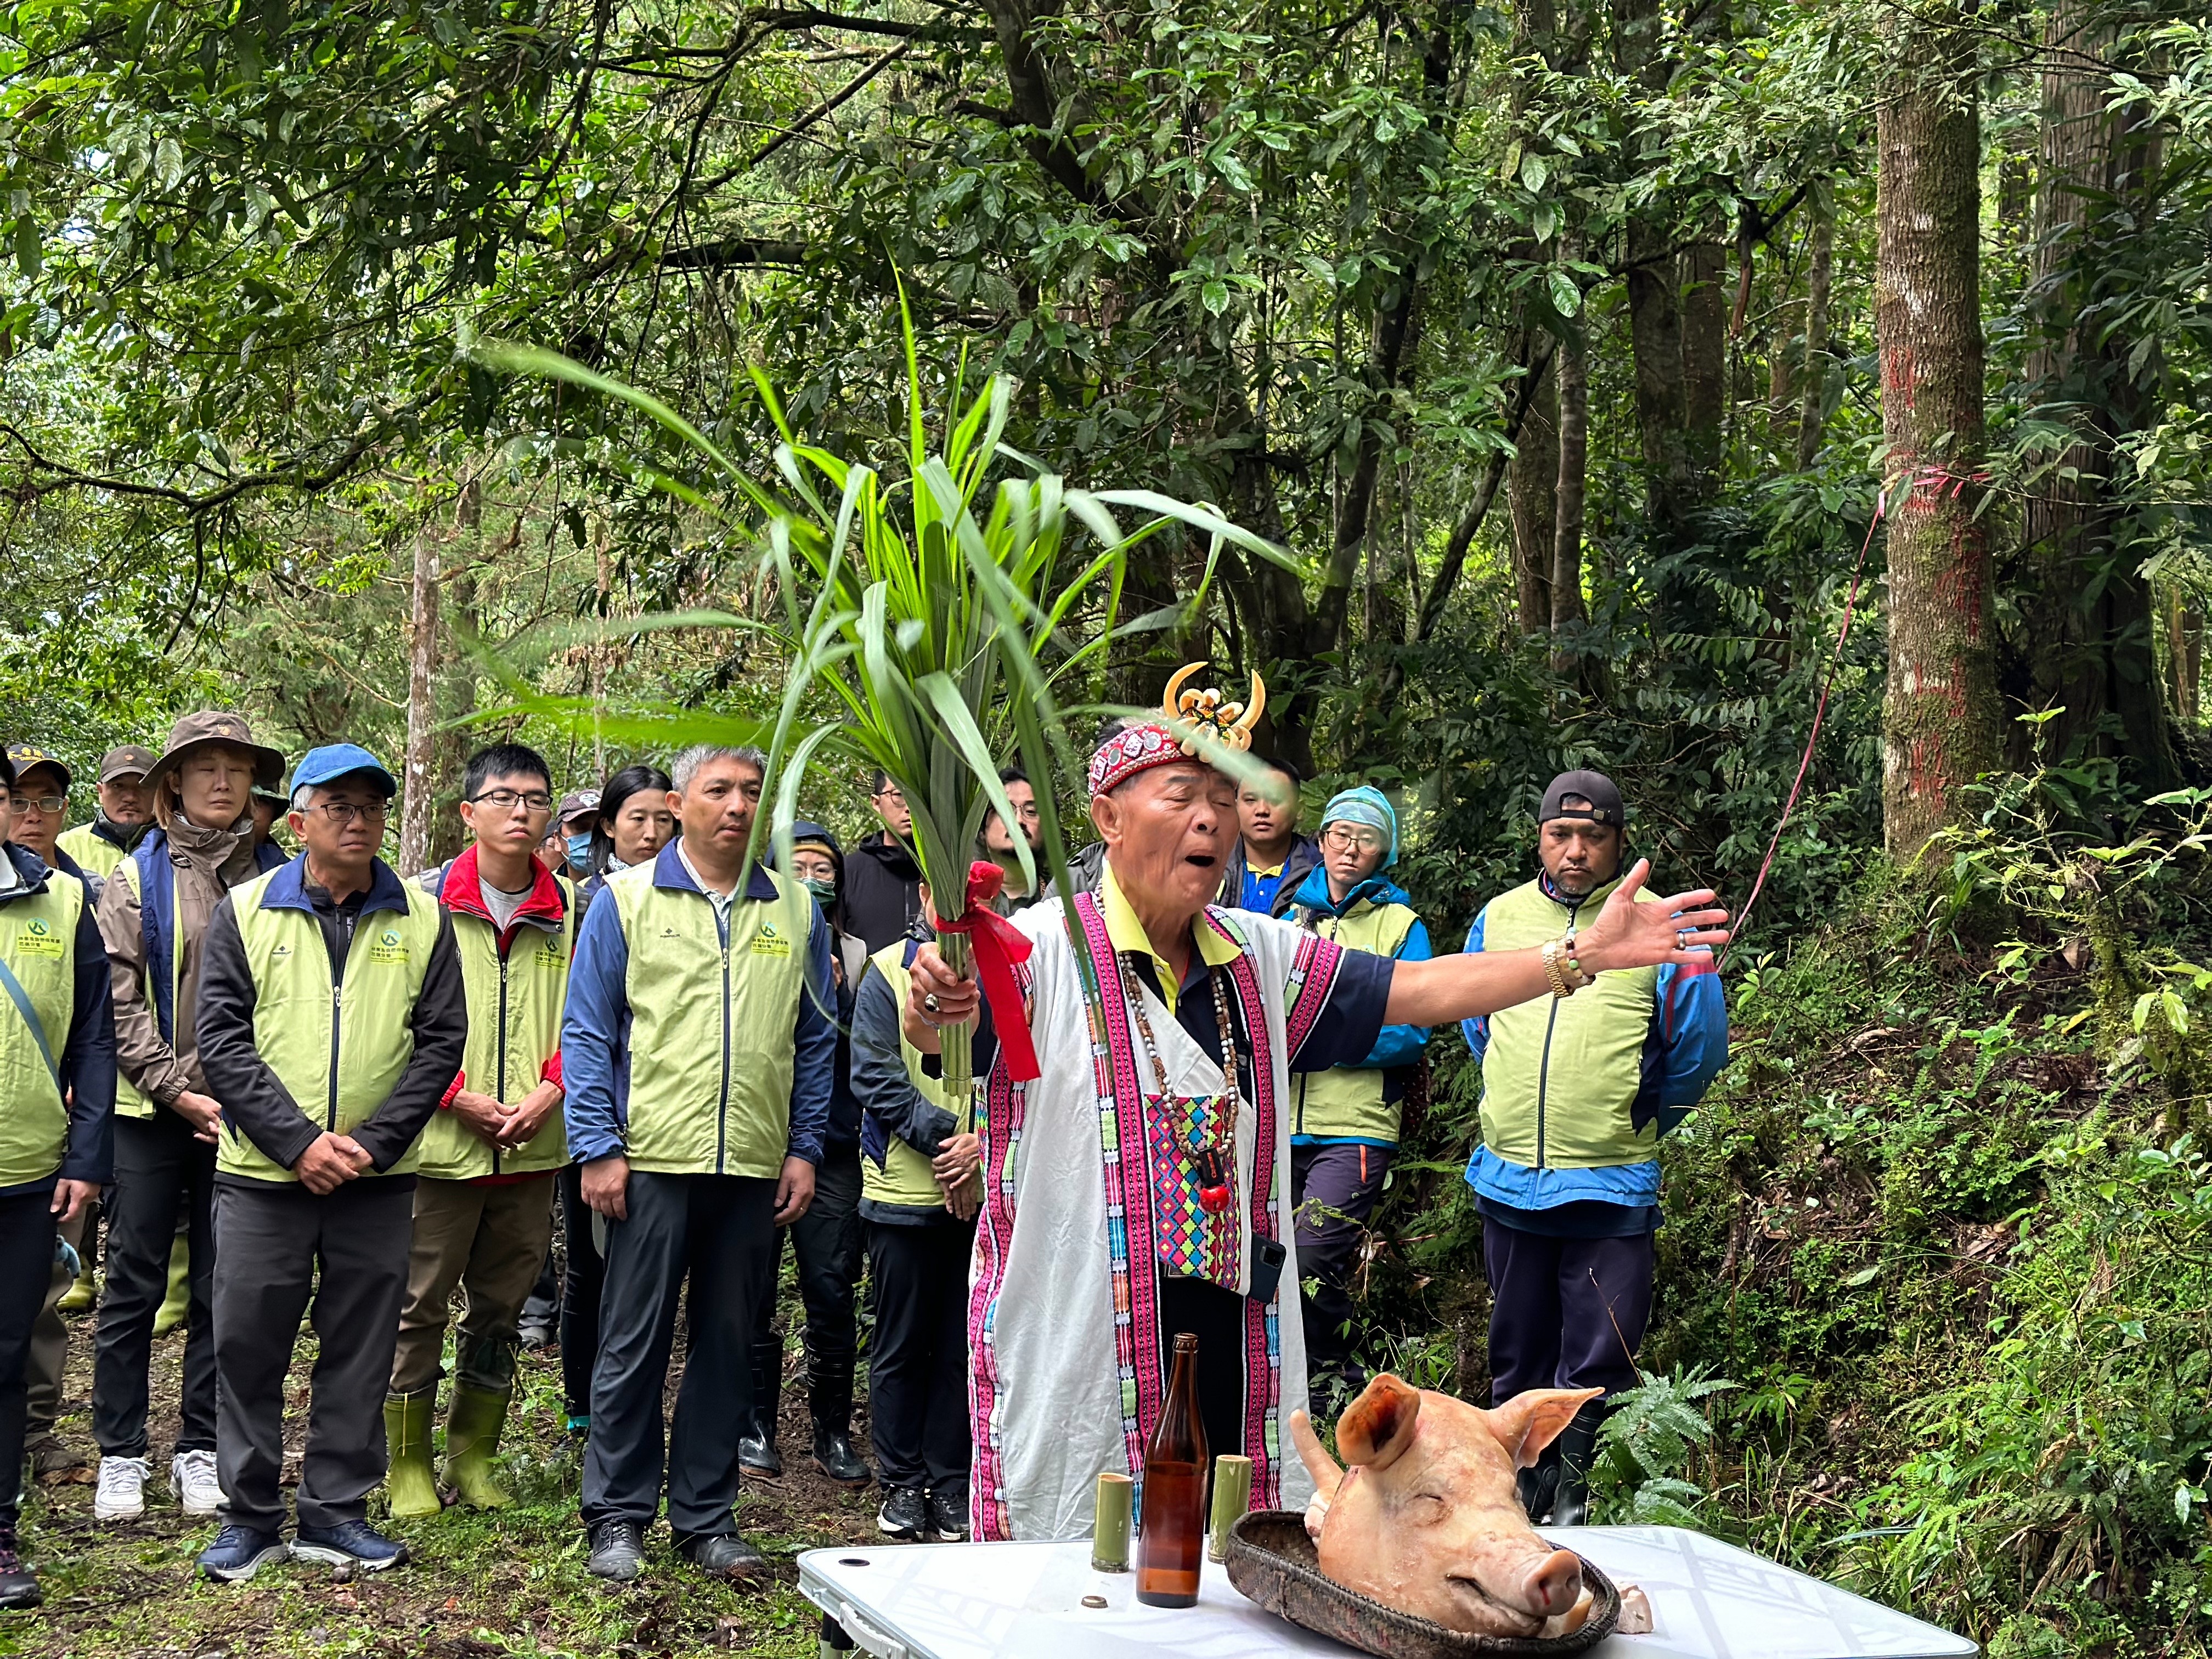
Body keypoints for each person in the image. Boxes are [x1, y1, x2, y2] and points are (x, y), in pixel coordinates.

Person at [900, 670, 1729, 1542]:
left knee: (1232, 1559)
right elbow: (939, 1020)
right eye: (1182, 795)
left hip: (1232, 1330)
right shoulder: (1032, 952)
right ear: (1107, 817)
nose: (1212, 820)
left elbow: (1421, 989)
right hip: (1084, 1338)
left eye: (1226, 798)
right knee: (1085, 1575)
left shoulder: (1263, 957)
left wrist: (1581, 956)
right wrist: (934, 1001)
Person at [192, 743, 466, 1582]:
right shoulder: (245, 910)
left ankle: (336, 1511)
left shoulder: (422, 918)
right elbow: (222, 1041)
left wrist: (373, 1144)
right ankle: (249, 1515)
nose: (359, 821)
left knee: (361, 1344)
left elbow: (440, 1043)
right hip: (263, 1179)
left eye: (373, 807)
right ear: (301, 819)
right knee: (246, 1342)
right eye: (340, 806)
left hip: (375, 1182)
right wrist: (298, 1142)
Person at [561, 745, 834, 1584]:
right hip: (649, 1162)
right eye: (718, 790)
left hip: (751, 1165)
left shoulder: (795, 909)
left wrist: (803, 1147)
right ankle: (617, 1515)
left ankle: (706, 1518)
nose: (738, 806)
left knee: (728, 1342)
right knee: (632, 1341)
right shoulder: (628, 899)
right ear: (680, 803)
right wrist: (598, 1148)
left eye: (753, 792)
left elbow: (815, 1038)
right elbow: (587, 1029)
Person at [1459, 770, 1729, 1527]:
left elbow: (1699, 1049)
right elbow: (1478, 1023)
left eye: (1594, 836)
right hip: (1511, 1176)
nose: (1576, 851)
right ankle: (1511, 1500)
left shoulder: (1660, 925)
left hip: (1610, 1184)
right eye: (1561, 835)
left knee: (1600, 1350)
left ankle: (1575, 1501)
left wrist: (1639, 1116)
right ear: (1539, 837)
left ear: (1619, 842)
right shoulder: (1500, 917)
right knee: (1515, 1349)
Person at [91, 713, 288, 1526]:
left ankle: (201, 1449)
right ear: (172, 782)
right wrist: (177, 1088)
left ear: (252, 783)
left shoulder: (281, 876)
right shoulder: (135, 878)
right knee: (134, 1281)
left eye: (235, 769)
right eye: (202, 767)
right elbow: (119, 993)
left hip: (245, 1117)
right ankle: (121, 1454)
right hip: (152, 1111)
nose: (219, 782)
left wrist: (246, 1099)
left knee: (224, 1287)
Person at [384, 744, 575, 1519]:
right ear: (469, 812)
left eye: (534, 798)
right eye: (502, 797)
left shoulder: (575, 909)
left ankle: (476, 1458)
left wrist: (552, 1089)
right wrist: (455, 1094)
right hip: (440, 1146)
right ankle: (406, 1464)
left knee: (500, 1308)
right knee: (418, 1303)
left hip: (534, 1146)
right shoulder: (417, 903)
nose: (520, 811)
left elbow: (595, 1015)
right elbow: (391, 1021)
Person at [0, 751, 114, 1608]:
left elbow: (95, 1043)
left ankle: (0, 1530)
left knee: (8, 1355)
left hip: (25, 1169)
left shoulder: (65, 900)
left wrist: (86, 1157)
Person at [1284, 787, 1432, 1407]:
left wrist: (1326, 1042)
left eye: (1366, 838)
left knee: (1316, 1252)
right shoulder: (1289, 918)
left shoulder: (1401, 926)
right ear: (1321, 841)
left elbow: (1412, 1028)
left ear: (1384, 852)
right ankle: (1284, 1386)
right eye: (1340, 834)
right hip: (1277, 1122)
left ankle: (1332, 1389)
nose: (1350, 848)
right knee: (1271, 1257)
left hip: (1357, 1123)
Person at [739, 822, 871, 1488]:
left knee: (830, 1286)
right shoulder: (747, 934)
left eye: (825, 869)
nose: (814, 879)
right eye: (800, 866)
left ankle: (832, 1431)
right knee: (752, 1287)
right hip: (758, 1138)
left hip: (835, 1148)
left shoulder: (857, 951)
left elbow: (853, 1050)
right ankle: (755, 1425)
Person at [544, 763, 675, 1401]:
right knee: (589, 1268)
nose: (650, 833)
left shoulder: (688, 899)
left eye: (661, 819)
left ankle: (627, 1403)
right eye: (636, 819)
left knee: (644, 1279)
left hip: (661, 1121)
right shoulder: (589, 901)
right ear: (609, 826)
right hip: (594, 1111)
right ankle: (581, 1405)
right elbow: (582, 1020)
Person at [850, 896, 978, 1543]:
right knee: (901, 1344)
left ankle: (952, 1481)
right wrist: (950, 1140)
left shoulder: (1012, 969)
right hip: (904, 1192)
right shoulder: (885, 970)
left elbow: (1023, 1070)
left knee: (963, 1346)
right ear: (924, 895)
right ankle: (901, 1481)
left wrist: (981, 1149)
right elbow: (873, 1073)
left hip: (985, 1190)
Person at [5, 743, 97, 1483]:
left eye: (46, 802)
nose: (32, 815)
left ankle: (32, 1438)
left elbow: (93, 1023)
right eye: (20, 798)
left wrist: (86, 1140)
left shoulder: (75, 898)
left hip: (40, 1145)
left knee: (32, 1306)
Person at [1223, 755, 1319, 917]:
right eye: (1251, 800)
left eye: (1275, 800)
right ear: (1235, 806)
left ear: (1299, 810)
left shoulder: (1321, 873)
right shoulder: (1211, 864)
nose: (1262, 810)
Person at [843, 772, 924, 952]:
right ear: (876, 803)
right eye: (899, 795)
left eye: (917, 797)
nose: (909, 807)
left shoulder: (943, 875)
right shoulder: (848, 872)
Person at [58, 745, 159, 881]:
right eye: (118, 786)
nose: (130, 798)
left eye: (142, 786)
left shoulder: (176, 847)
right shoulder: (63, 848)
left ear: (159, 793)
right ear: (100, 792)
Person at [980, 768, 1044, 909]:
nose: (1019, 819)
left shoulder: (1063, 899)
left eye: (1031, 811)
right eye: (1005, 810)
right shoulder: (959, 900)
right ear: (982, 829)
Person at [554, 790, 601, 882]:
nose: (592, 837)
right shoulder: (547, 889)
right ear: (558, 840)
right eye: (581, 827)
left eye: (601, 828)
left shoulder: (628, 886)